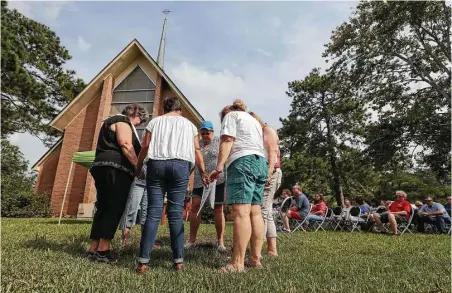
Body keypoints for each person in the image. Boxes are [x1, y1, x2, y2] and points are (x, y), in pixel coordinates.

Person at [135, 97, 209, 273]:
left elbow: (145, 146)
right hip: (181, 166)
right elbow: (197, 150)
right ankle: (178, 262)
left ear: (164, 108)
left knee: (153, 212)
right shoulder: (190, 125)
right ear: (180, 110)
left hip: (157, 165)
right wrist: (203, 171)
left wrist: (138, 166)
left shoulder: (154, 122)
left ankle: (143, 262)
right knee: (175, 214)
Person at [210, 100, 268, 273]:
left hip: (243, 162)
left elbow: (227, 140)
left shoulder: (231, 116)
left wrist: (219, 166)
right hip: (260, 162)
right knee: (255, 213)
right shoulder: (254, 121)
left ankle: (237, 263)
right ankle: (255, 259)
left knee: (241, 213)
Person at [86, 104, 148, 262]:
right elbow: (125, 144)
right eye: (141, 120)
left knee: (103, 206)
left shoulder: (109, 123)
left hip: (100, 165)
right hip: (116, 168)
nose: (140, 124)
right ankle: (103, 250)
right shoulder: (122, 122)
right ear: (134, 114)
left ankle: (93, 248)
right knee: (114, 207)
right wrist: (137, 166)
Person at [185, 121, 227, 252]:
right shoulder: (197, 145)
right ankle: (192, 240)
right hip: (200, 180)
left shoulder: (219, 143)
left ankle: (220, 241)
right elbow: (193, 161)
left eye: (207, 133)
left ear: (212, 132)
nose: (204, 135)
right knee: (195, 208)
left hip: (217, 181)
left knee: (218, 209)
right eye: (202, 133)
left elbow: (224, 160)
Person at [249, 111, 281, 257]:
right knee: (266, 211)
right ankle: (271, 249)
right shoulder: (259, 134)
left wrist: (268, 173)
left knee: (262, 210)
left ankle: (258, 251)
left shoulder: (267, 130)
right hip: (267, 171)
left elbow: (273, 151)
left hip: (271, 172)